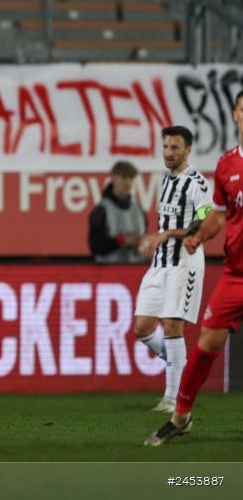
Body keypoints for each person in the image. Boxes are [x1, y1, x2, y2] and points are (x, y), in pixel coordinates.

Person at [145, 90, 243, 446]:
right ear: (236, 115)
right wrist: (198, 237)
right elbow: (217, 216)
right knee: (206, 344)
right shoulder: (228, 166)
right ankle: (181, 416)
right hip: (236, 274)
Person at [134, 126, 212, 413]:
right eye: (165, 147)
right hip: (160, 263)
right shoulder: (166, 180)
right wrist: (154, 238)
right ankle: (180, 368)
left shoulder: (197, 183)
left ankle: (171, 398)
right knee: (142, 327)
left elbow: (205, 219)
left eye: (175, 147)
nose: (168, 153)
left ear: (188, 149)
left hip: (184, 262)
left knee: (171, 326)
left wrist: (169, 235)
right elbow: (165, 222)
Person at [88, 161, 148, 263]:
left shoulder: (139, 211)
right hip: (109, 271)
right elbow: (95, 247)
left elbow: (143, 246)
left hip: (136, 270)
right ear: (113, 178)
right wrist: (121, 240)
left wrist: (145, 244)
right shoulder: (101, 211)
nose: (128, 183)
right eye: (124, 177)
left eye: (131, 178)